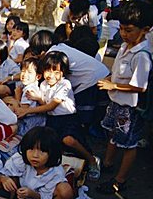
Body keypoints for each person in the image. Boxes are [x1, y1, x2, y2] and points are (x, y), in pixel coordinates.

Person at [15, 51, 100, 181]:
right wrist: (39, 98)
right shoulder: (43, 84)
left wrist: (27, 111)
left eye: (56, 72)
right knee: (51, 146)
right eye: (48, 71)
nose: (51, 75)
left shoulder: (65, 84)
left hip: (67, 119)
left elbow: (52, 106)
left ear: (63, 73)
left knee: (69, 140)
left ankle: (92, 159)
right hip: (52, 119)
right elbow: (47, 104)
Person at [97, 0, 153, 194]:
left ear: (145, 29)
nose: (123, 33)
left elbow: (140, 87)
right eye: (121, 29)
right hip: (116, 100)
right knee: (113, 133)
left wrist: (113, 85)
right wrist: (110, 79)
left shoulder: (142, 55)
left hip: (129, 106)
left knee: (129, 143)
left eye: (128, 30)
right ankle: (107, 162)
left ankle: (119, 180)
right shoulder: (125, 45)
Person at [0, 127, 74, 199]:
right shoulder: (20, 159)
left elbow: (44, 197)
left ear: (52, 153)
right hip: (19, 193)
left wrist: (31, 194)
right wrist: (3, 179)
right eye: (31, 149)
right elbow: (1, 175)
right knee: (8, 180)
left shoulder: (56, 172)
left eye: (42, 151)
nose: (35, 155)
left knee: (65, 191)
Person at [14, 57, 46, 136]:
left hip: (29, 125)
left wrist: (17, 97)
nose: (24, 74)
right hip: (38, 122)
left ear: (38, 76)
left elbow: (21, 111)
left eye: (29, 72)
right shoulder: (33, 86)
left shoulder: (29, 90)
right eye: (23, 71)